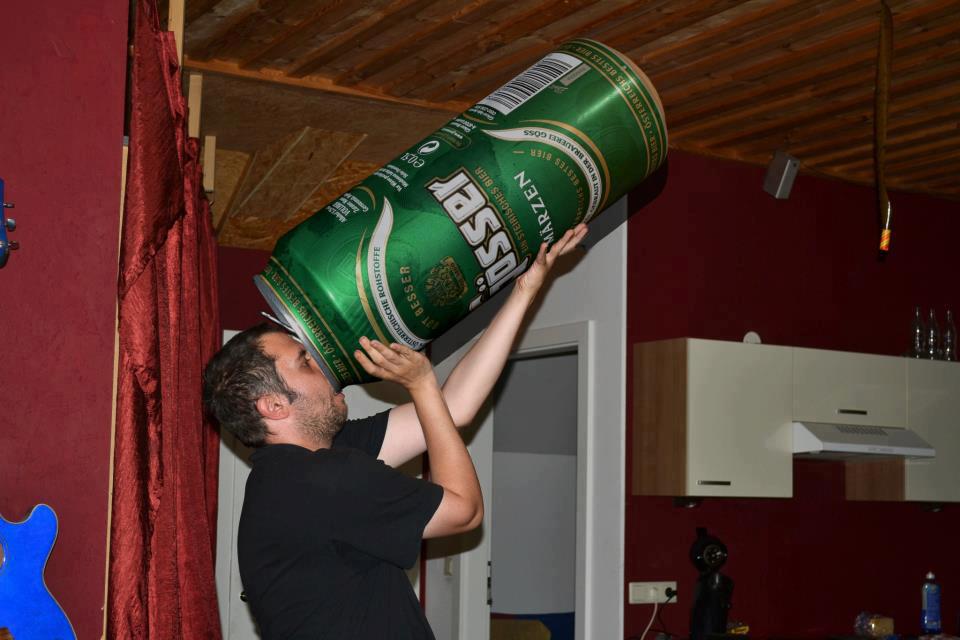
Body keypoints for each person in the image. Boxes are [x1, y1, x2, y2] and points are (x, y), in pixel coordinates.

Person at [202, 224, 588, 639]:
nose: (324, 366)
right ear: (273, 406)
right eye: (305, 362)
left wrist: (525, 290)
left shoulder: (300, 469)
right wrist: (420, 385)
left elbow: (453, 407)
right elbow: (464, 512)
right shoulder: (322, 479)